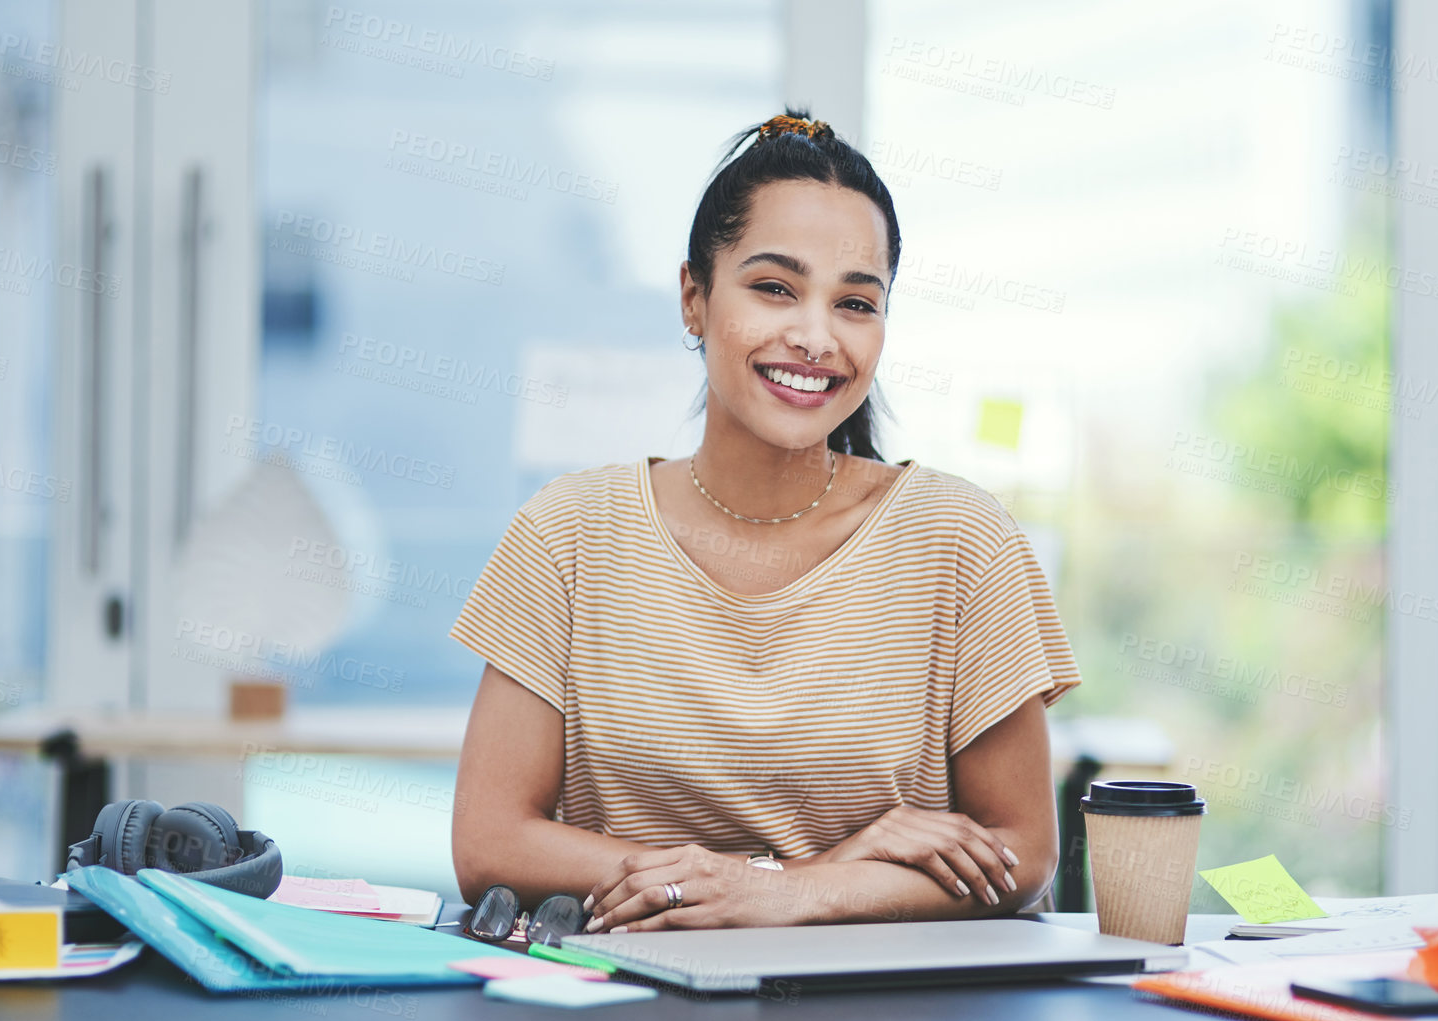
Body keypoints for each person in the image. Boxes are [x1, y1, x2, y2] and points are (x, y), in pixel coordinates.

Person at [450, 107, 1081, 934]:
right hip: (621, 1012)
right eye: (775, 288)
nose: (816, 337)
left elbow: (1024, 855)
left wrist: (791, 896)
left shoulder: (962, 541)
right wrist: (786, 877)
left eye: (856, 303)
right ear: (693, 298)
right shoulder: (568, 533)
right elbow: (489, 840)